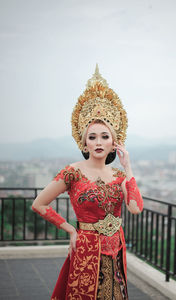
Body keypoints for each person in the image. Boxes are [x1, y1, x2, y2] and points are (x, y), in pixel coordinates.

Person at [32, 65, 144, 300]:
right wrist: (70, 229)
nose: (99, 142)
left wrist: (128, 167)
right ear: (84, 144)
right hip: (87, 248)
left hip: (116, 248)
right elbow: (39, 204)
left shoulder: (120, 176)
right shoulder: (73, 172)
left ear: (115, 142)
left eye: (105, 136)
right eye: (92, 137)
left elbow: (135, 208)